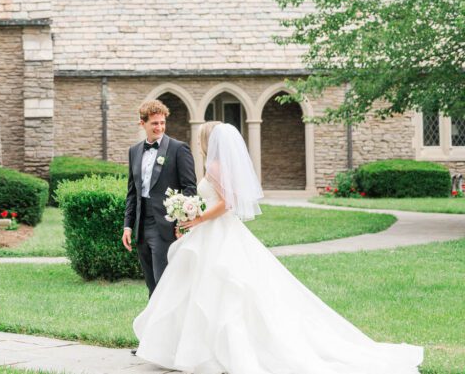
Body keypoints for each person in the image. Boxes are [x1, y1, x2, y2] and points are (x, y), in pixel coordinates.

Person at [132, 121, 424, 374]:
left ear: (209, 141)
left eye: (201, 139)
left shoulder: (215, 166)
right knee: (204, 290)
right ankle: (196, 348)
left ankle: (213, 350)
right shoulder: (215, 165)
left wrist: (196, 218)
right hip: (213, 233)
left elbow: (227, 204)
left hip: (216, 232)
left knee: (220, 290)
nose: (199, 143)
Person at [122, 99, 198, 297]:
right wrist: (128, 226)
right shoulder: (134, 151)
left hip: (165, 225)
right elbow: (132, 192)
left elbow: (190, 188)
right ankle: (154, 327)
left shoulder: (178, 149)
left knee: (164, 282)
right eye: (154, 123)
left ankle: (168, 326)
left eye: (162, 123)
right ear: (143, 123)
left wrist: (182, 221)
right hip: (141, 226)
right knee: (151, 285)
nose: (159, 127)